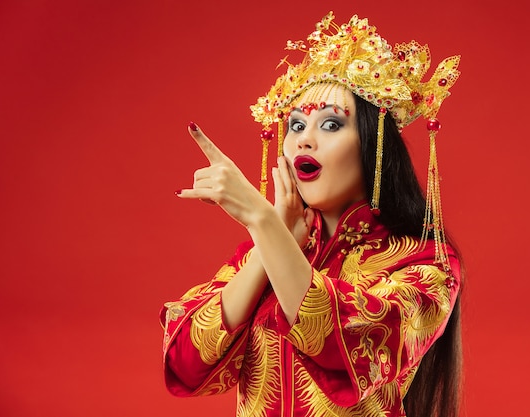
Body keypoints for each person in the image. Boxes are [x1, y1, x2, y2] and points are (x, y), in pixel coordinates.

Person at [161, 11, 462, 417]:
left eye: (332, 125)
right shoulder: (274, 246)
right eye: (297, 125)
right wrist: (271, 238)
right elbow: (186, 363)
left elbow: (349, 347)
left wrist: (263, 222)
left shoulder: (425, 260)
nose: (305, 141)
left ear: (374, 146)